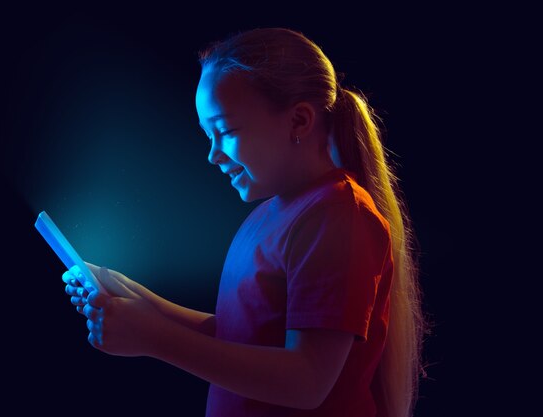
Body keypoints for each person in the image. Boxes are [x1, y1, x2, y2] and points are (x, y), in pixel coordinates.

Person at [62, 27, 426, 417]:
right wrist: (136, 297)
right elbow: (242, 336)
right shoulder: (268, 217)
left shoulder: (340, 216)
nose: (213, 156)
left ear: (299, 121)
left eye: (227, 131)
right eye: (208, 135)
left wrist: (155, 338)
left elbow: (306, 382)